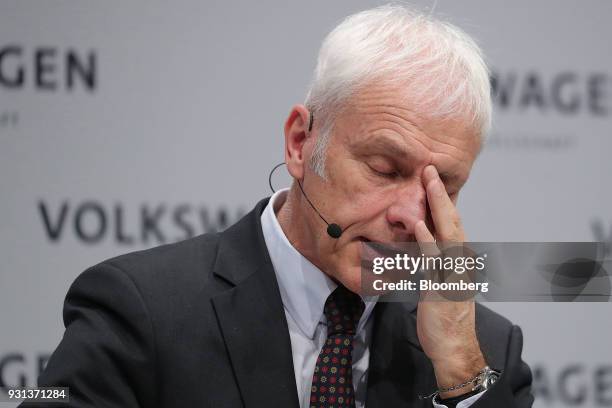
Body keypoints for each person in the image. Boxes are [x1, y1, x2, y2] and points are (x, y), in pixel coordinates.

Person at [22, 5, 533, 408]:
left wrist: (463, 377)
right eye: (384, 168)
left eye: (442, 184)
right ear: (299, 143)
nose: (410, 214)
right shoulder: (143, 311)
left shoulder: (483, 349)